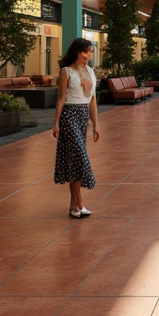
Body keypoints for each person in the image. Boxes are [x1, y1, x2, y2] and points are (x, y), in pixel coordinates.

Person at [51, 38, 100, 218]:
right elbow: (61, 98)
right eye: (85, 51)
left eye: (90, 52)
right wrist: (56, 122)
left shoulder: (90, 72)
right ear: (77, 52)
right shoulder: (66, 72)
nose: (88, 55)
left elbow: (93, 100)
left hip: (83, 117)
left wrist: (95, 124)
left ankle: (74, 205)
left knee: (75, 162)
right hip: (69, 116)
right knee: (80, 156)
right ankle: (79, 202)